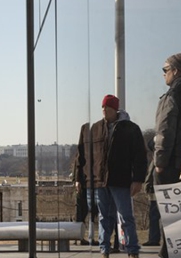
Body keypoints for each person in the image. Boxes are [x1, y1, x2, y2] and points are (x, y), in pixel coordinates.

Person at [74, 94, 147, 258]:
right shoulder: (95, 128)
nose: (104, 110)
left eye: (107, 107)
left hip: (120, 180)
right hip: (99, 181)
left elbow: (139, 156)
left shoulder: (130, 129)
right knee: (104, 217)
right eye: (103, 107)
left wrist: (138, 179)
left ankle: (132, 249)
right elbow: (83, 156)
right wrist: (79, 178)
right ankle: (104, 249)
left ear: (115, 109)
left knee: (126, 216)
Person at [152, 53, 181, 257]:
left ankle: (167, 253)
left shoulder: (172, 96)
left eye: (165, 69)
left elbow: (165, 130)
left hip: (171, 165)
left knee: (170, 215)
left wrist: (159, 162)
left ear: (175, 71)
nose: (163, 74)